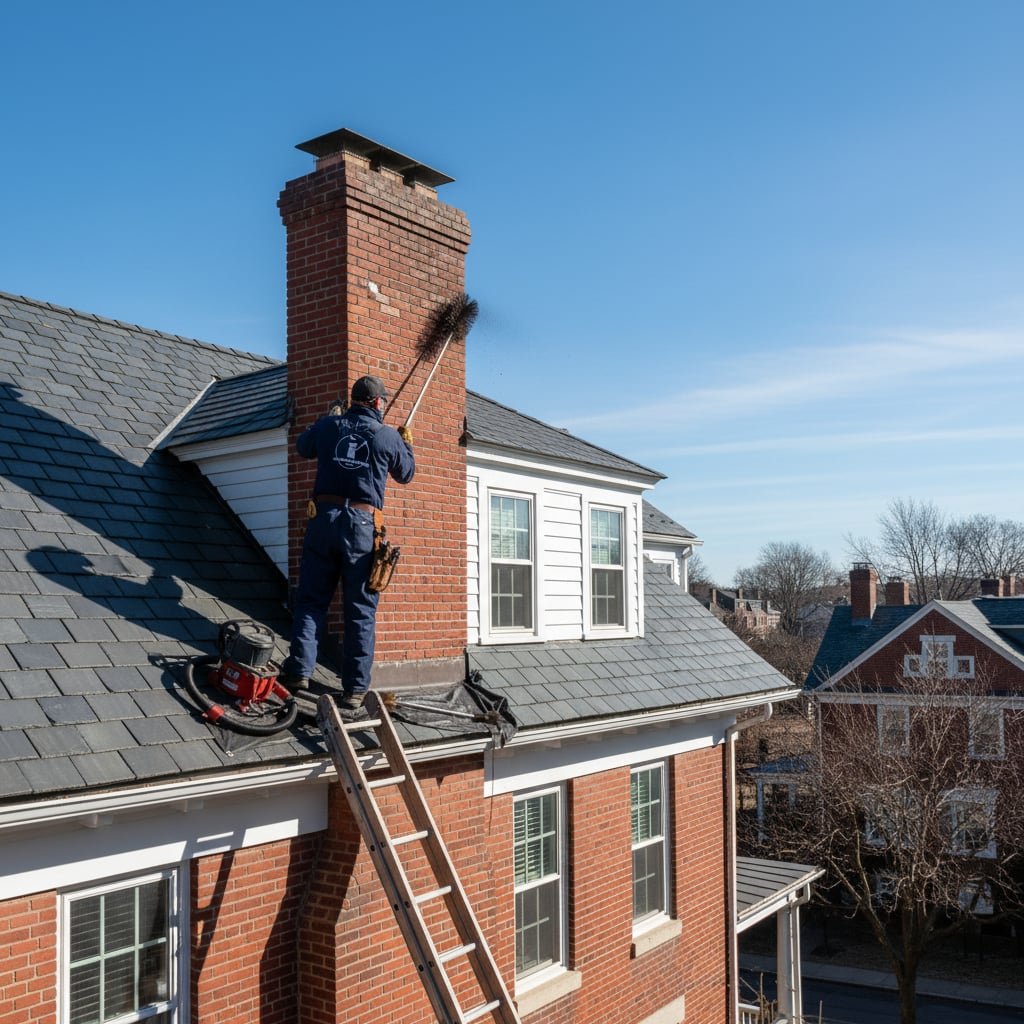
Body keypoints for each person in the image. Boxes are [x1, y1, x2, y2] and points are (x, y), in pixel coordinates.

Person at [281, 374, 414, 718]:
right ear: (378, 403)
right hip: (360, 526)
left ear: (353, 401)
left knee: (311, 601)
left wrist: (328, 418)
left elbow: (303, 447)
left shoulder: (329, 426)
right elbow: (406, 473)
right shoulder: (385, 435)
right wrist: (406, 443)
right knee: (360, 611)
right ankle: (354, 689)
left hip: (323, 520)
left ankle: (299, 672)